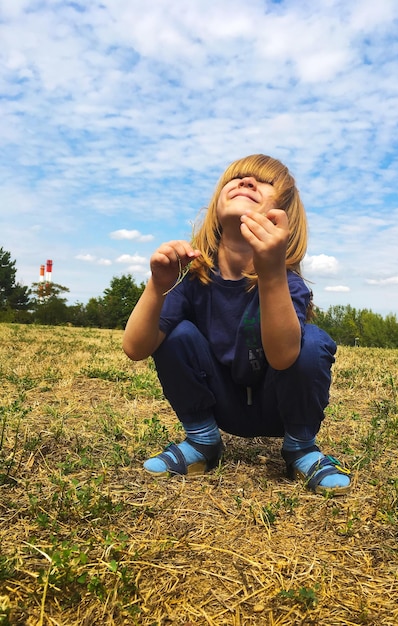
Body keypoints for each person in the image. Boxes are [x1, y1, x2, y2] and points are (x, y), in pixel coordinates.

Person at [123, 154, 351, 495]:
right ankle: (202, 442)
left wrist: (271, 272)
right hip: (220, 406)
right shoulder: (192, 278)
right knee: (174, 333)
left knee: (313, 341)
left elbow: (285, 357)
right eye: (237, 177)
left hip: (279, 408)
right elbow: (136, 348)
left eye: (263, 182)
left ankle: (301, 447)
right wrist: (158, 285)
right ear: (216, 204)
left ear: (283, 216)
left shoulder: (288, 284)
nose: (246, 182)